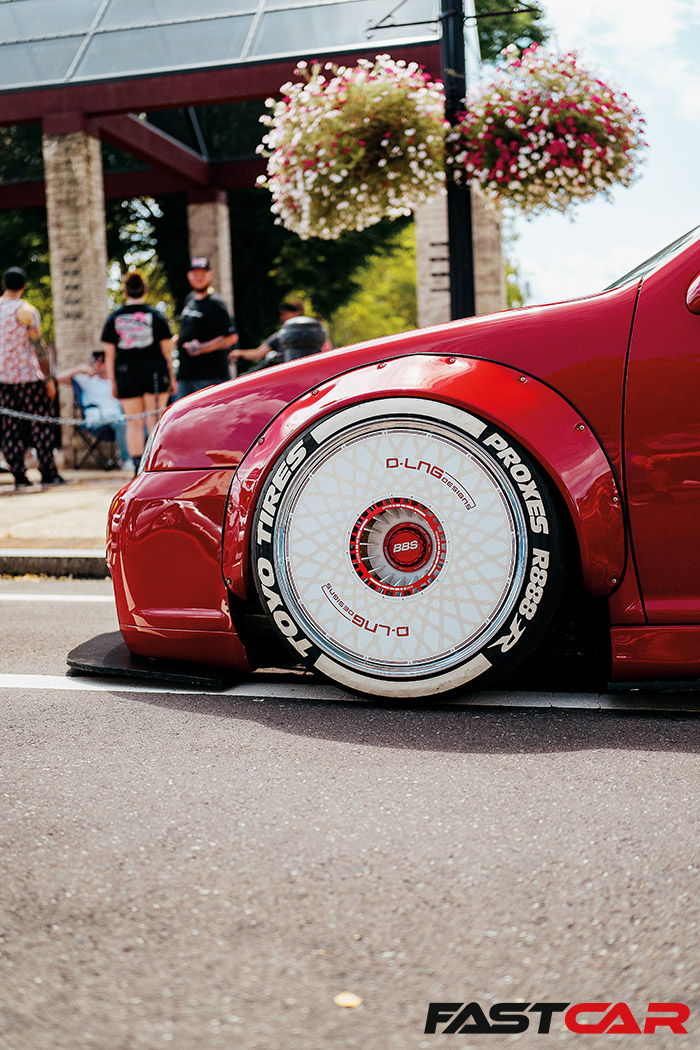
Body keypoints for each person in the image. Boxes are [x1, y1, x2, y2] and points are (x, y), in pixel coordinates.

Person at [101, 270, 175, 475]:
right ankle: (154, 466)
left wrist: (113, 382)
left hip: (126, 375)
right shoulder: (156, 316)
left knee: (133, 423)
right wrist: (172, 377)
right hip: (155, 374)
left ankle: (136, 466)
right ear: (145, 290)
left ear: (125, 291)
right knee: (155, 421)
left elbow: (109, 355)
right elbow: (167, 352)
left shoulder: (114, 317)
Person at [0, 266, 64, 490]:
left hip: (3, 379)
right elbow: (39, 349)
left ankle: (18, 474)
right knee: (41, 423)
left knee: (9, 428)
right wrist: (48, 378)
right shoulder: (27, 311)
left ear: (4, 285)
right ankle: (48, 471)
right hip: (28, 377)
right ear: (24, 287)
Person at [174, 256, 238, 398]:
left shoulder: (216, 303)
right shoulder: (189, 298)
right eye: (195, 273)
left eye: (202, 273)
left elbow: (231, 337)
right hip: (186, 376)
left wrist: (202, 347)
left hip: (211, 377)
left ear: (210, 275)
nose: (199, 278)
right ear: (189, 276)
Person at [57, 350, 132, 469]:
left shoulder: (116, 382)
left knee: (139, 423)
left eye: (103, 360)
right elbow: (59, 378)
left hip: (119, 419)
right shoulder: (87, 380)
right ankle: (127, 460)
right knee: (121, 423)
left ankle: (139, 459)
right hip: (97, 420)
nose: (98, 363)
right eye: (96, 360)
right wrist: (80, 368)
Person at [231, 300, 332, 370]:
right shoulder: (279, 336)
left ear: (296, 314)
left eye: (285, 314)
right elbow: (258, 354)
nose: (282, 318)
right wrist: (240, 353)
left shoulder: (315, 333)